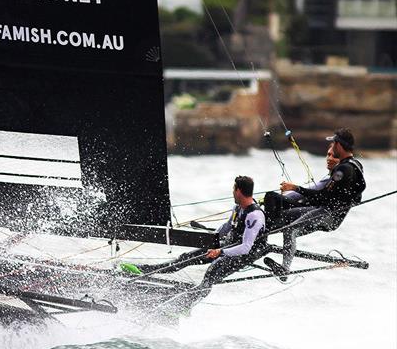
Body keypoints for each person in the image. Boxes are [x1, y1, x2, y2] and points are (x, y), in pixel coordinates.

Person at [121, 176, 267, 303]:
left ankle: (183, 306)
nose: (232, 192)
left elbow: (246, 247)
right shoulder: (238, 207)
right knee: (186, 258)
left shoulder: (254, 215)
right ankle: (143, 271)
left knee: (211, 274)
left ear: (238, 191)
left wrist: (220, 252)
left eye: (233, 189)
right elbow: (227, 227)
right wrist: (210, 239)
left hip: (244, 255)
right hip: (227, 246)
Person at [267, 128, 365, 274]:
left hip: (329, 215)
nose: (331, 148)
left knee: (290, 229)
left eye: (333, 144)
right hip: (325, 212)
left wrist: (296, 188)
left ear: (338, 145)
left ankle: (285, 268)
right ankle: (260, 238)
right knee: (285, 215)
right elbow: (356, 195)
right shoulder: (356, 165)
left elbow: (322, 196)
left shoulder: (343, 170)